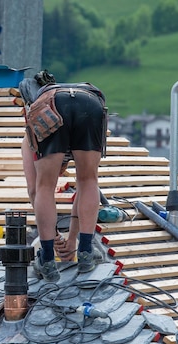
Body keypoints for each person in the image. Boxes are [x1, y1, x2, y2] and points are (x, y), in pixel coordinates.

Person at [20, 70, 107, 280]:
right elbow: (84, 188)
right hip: (91, 102)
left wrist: (54, 239)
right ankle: (86, 254)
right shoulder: (77, 97)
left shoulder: (34, 122)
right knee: (88, 180)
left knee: (45, 186)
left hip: (52, 106)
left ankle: (47, 260)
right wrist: (73, 241)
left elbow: (34, 190)